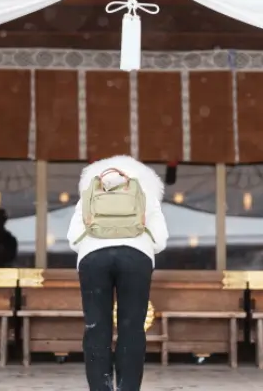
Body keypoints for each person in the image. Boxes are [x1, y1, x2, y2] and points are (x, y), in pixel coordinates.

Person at [67, 156, 168, 391]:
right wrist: (140, 244)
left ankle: (101, 387)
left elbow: (73, 239)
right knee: (131, 327)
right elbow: (161, 239)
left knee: (96, 326)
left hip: (93, 259)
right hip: (135, 258)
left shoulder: (90, 192)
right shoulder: (145, 192)